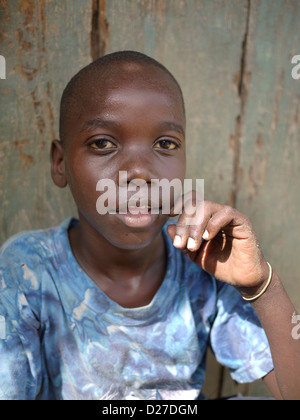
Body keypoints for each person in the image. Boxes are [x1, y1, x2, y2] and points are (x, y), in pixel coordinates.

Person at [0, 51, 299, 400]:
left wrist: (262, 284)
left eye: (165, 144)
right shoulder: (27, 271)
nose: (140, 171)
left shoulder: (204, 262)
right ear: (61, 162)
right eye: (103, 143)